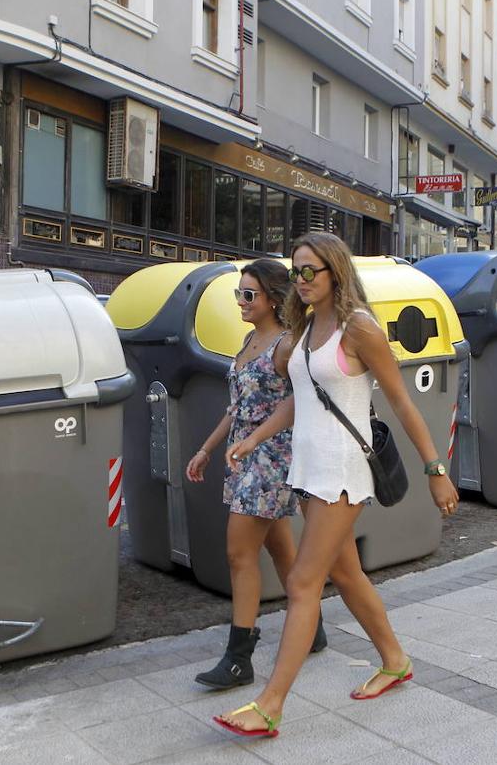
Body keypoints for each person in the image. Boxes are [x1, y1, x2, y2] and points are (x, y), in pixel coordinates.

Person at [214, 232, 459, 738]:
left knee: (303, 583)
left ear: (335, 272)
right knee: (345, 575)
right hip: (308, 470)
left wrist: (436, 472)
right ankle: (394, 659)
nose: (300, 281)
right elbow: (297, 402)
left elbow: (403, 401)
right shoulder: (303, 330)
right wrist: (253, 439)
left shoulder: (359, 328)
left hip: (343, 472)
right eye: (296, 271)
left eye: (310, 271)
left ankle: (269, 705)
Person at [186, 258, 327, 690]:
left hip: (272, 459)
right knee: (281, 548)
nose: (242, 302)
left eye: (250, 295)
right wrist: (208, 447)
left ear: (272, 298)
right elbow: (239, 407)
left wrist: (255, 441)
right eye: (239, 294)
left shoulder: (286, 345)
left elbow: (301, 401)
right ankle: (313, 625)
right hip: (243, 456)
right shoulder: (250, 340)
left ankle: (238, 657)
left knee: (239, 554)